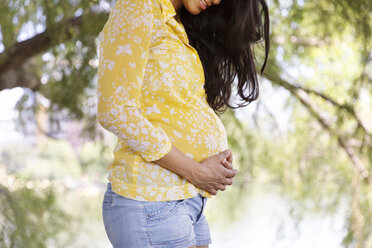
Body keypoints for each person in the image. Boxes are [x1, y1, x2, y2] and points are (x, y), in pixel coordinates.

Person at [97, 0, 270, 247]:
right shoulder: (138, 7)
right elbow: (115, 110)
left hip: (185, 199)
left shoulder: (176, 24)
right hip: (151, 199)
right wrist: (196, 171)